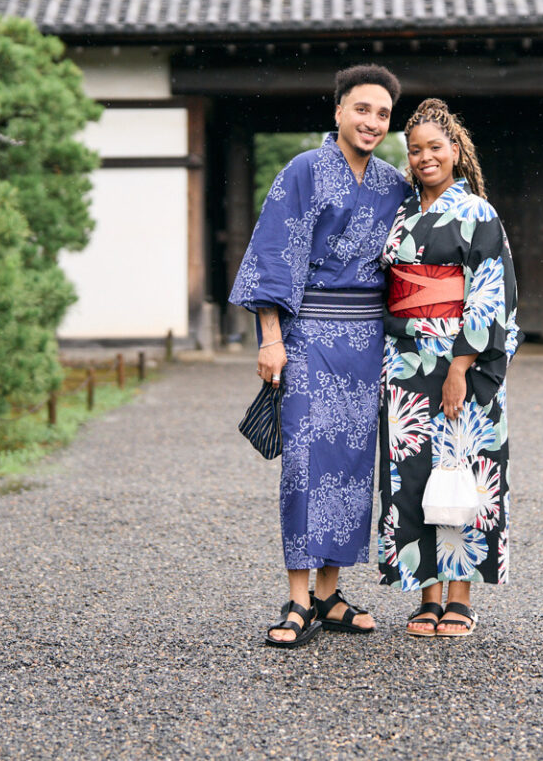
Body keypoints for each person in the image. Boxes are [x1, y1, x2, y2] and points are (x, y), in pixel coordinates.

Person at [229, 64, 408, 648]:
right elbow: (274, 253)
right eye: (362, 109)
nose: (372, 122)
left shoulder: (391, 185)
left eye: (382, 114)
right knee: (305, 463)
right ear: (337, 111)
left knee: (352, 465)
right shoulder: (305, 170)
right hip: (308, 336)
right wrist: (271, 337)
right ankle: (298, 598)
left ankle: (330, 594)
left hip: (366, 344)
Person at [377, 98, 519, 638]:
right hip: (405, 357)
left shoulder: (478, 213)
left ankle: (459, 595)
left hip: (461, 357)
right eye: (415, 151)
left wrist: (462, 365)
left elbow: (490, 292)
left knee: (463, 471)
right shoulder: (401, 212)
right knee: (410, 472)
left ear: (455, 152)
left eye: (435, 147)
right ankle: (426, 595)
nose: (424, 158)